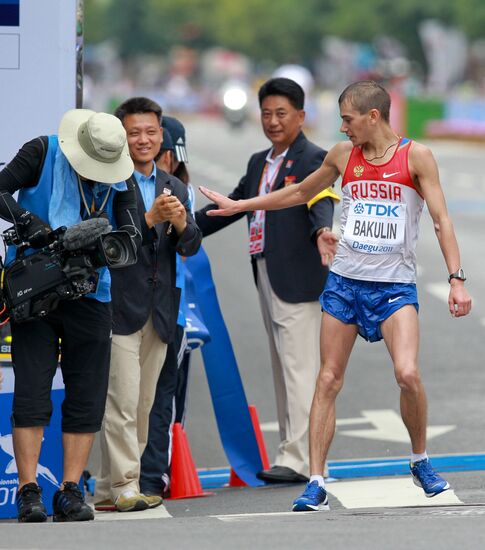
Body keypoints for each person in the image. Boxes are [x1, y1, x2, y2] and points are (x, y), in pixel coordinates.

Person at [199, 80, 472, 511]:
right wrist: (242, 205)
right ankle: (316, 480)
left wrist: (456, 279)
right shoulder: (343, 156)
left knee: (407, 374)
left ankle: (419, 460)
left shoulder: (416, 157)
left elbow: (441, 220)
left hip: (393, 286)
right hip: (345, 282)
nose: (343, 128)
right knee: (327, 378)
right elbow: (300, 192)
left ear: (373, 116)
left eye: (348, 119)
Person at [0, 109, 142, 522]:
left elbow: (132, 232)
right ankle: (29, 491)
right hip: (36, 291)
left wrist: (99, 237)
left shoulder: (122, 174)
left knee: (86, 394)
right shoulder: (42, 151)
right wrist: (31, 226)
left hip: (91, 292)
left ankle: (70, 490)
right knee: (31, 389)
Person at [196, 77, 339, 483]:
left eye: (282, 113)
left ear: (301, 116)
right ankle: (293, 453)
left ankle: (302, 459)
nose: (273, 121)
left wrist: (320, 232)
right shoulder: (260, 161)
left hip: (299, 274)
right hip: (265, 270)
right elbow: (235, 204)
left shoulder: (313, 158)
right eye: (266, 113)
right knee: (284, 366)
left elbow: (321, 200)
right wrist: (182, 229)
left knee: (302, 368)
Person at [93, 98, 201, 512]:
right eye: (134, 132)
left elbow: (190, 246)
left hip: (160, 309)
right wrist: (151, 219)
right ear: (122, 136)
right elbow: (109, 245)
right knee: (120, 402)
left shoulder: (176, 186)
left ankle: (110, 486)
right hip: (118, 305)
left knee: (142, 404)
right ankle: (125, 485)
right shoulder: (106, 182)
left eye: (150, 132)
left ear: (162, 136)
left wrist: (180, 222)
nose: (143, 139)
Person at [139, 115, 194, 497]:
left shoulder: (179, 193)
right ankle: (133, 476)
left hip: (171, 310)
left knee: (163, 396)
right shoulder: (121, 187)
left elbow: (192, 243)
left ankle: (154, 473)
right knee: (136, 397)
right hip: (131, 308)